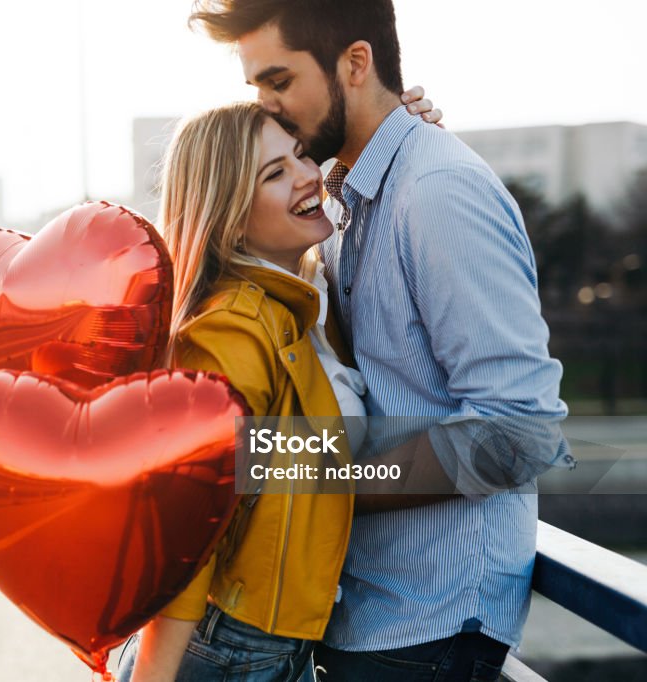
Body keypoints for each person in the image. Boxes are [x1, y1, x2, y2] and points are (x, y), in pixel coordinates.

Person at [188, 1, 572, 680]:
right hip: (359, 609)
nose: (269, 109)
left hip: (429, 625)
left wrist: (323, 484)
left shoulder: (437, 191)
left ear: (355, 64)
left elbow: (520, 430)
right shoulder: (347, 197)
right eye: (257, 89)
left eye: (279, 82)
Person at [116, 90, 442, 682]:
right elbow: (188, 522)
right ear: (230, 214)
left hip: (271, 649)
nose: (307, 176)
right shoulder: (232, 329)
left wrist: (405, 142)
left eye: (300, 155)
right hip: (223, 651)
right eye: (275, 171)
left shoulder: (303, 304)